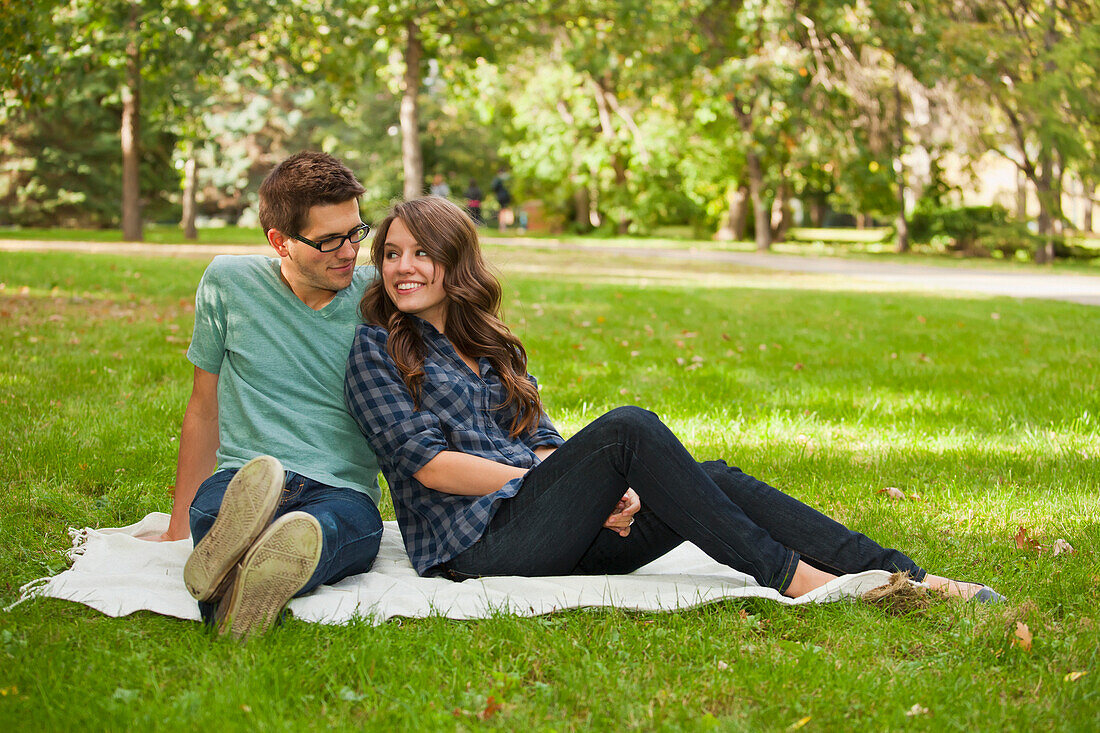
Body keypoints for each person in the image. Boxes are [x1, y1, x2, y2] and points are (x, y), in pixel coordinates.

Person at [343, 197, 1005, 603]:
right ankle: (794, 577)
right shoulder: (379, 349)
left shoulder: (490, 343)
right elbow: (430, 467)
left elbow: (541, 435)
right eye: (392, 252)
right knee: (628, 427)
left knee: (714, 478)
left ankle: (908, 578)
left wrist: (601, 495)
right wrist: (557, 481)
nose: (402, 266)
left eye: (421, 252)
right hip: (479, 545)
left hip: (553, 528)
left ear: (454, 261)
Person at [154, 151, 385, 640]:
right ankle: (250, 561)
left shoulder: (379, 297)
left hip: (342, 489)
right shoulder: (229, 283)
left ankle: (237, 576)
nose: (349, 251)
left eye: (355, 232)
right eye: (328, 241)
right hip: (247, 478)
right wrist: (177, 525)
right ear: (279, 241)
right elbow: (203, 409)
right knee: (216, 512)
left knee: (335, 531)